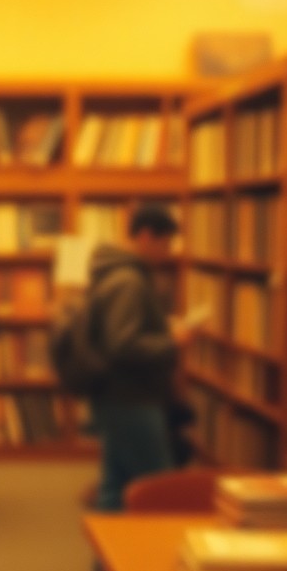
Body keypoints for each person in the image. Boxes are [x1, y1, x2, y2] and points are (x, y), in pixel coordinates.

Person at [87, 204, 194, 517]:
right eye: (166, 243)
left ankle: (106, 561)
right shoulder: (129, 281)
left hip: (116, 395)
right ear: (146, 236)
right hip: (132, 397)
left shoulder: (117, 273)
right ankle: (144, 562)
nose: (168, 252)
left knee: (116, 484)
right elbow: (122, 345)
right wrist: (171, 341)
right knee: (155, 485)